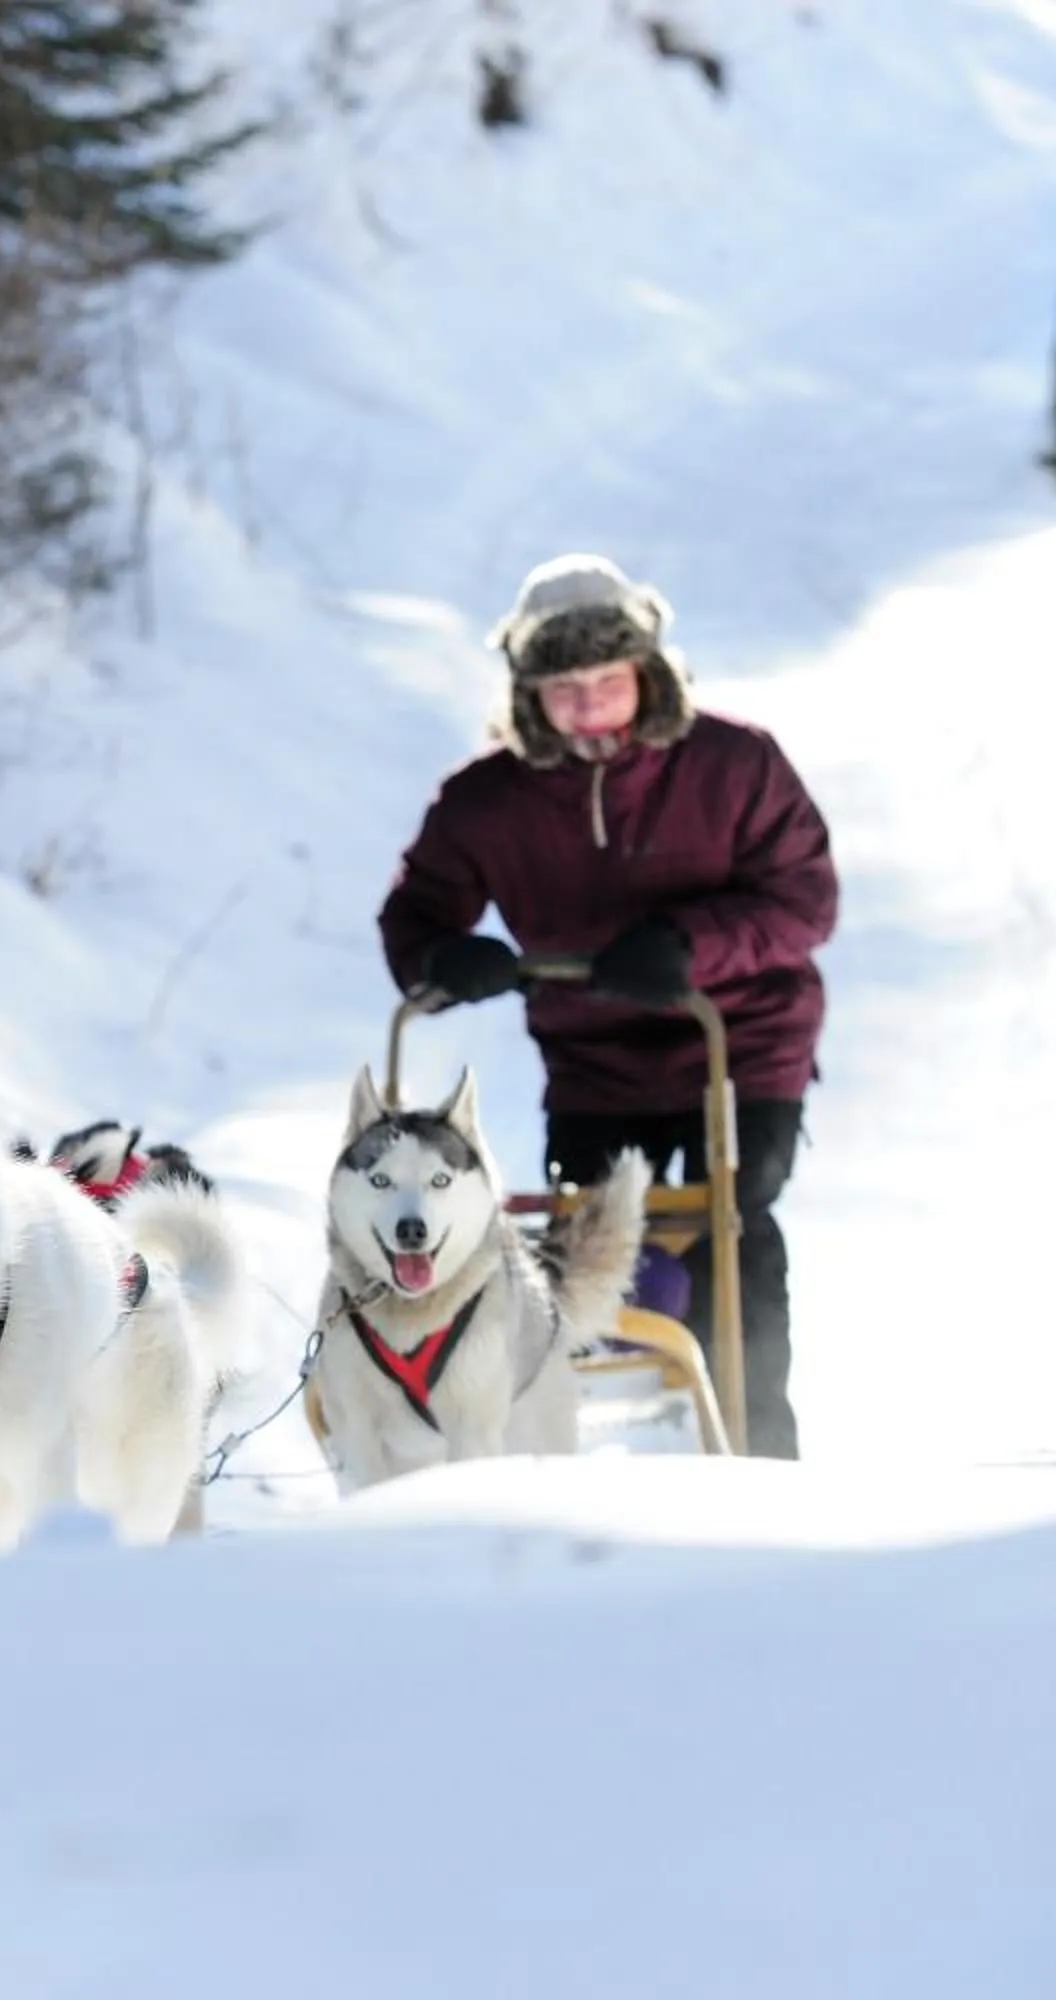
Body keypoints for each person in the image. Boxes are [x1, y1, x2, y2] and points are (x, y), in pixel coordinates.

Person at [376, 554, 837, 1458]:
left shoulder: (734, 765)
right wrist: (445, 958)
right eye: (564, 688)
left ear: (648, 676)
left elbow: (805, 901)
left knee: (731, 1228)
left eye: (609, 682)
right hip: (594, 1063)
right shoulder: (488, 801)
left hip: (738, 1046)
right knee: (590, 1249)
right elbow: (415, 913)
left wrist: (688, 947)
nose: (588, 705)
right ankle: (578, 1436)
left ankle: (758, 1445)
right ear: (529, 693)